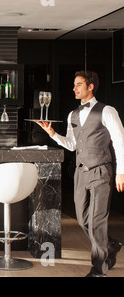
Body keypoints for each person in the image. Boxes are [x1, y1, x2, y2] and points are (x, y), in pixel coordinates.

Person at [37, 70, 124, 277]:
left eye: (78, 84)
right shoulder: (73, 114)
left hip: (102, 171)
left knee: (97, 220)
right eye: (74, 85)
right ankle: (110, 244)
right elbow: (72, 145)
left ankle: (98, 270)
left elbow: (120, 141)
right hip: (80, 173)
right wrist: (53, 134)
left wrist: (121, 172)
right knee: (82, 219)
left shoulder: (107, 111)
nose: (74, 88)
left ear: (90, 87)